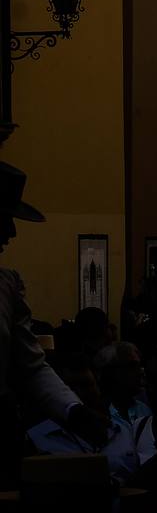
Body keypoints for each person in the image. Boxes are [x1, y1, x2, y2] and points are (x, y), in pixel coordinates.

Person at [0, 162, 109, 467]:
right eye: (4, 218)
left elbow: (31, 366)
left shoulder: (6, 286)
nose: (11, 232)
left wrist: (73, 410)